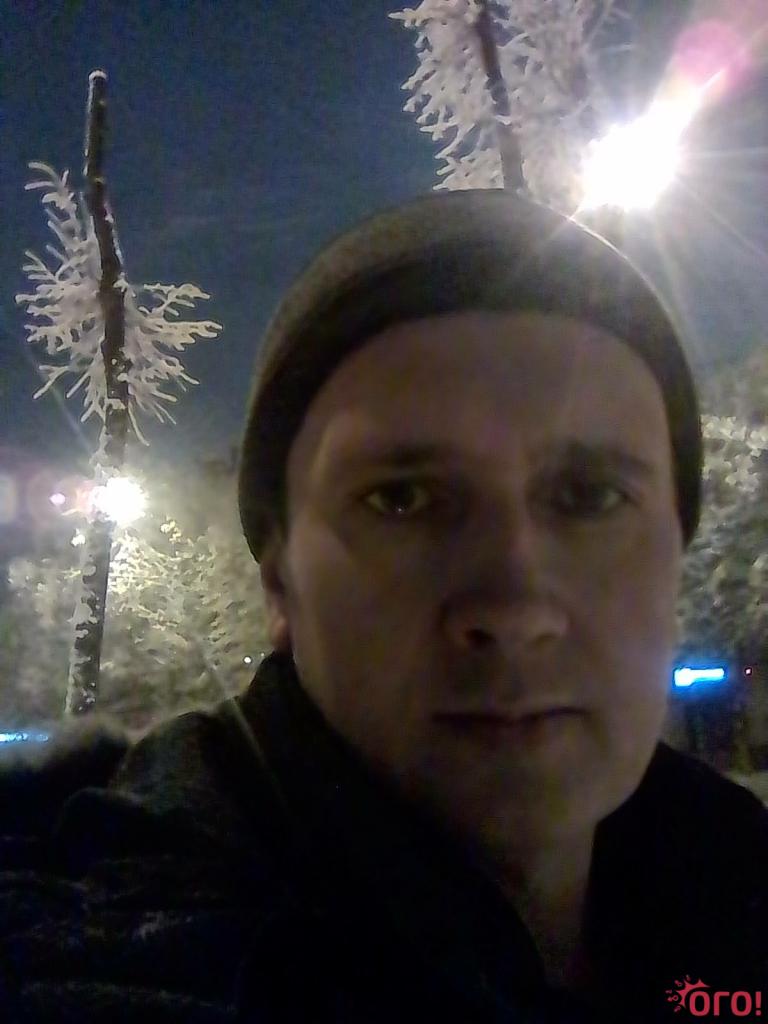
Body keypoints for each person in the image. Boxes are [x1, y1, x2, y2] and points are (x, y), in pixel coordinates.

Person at [2, 189, 767, 1023]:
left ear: (677, 550)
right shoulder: (126, 941)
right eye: (402, 499)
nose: (516, 608)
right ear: (279, 583)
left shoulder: (737, 885)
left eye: (590, 496)